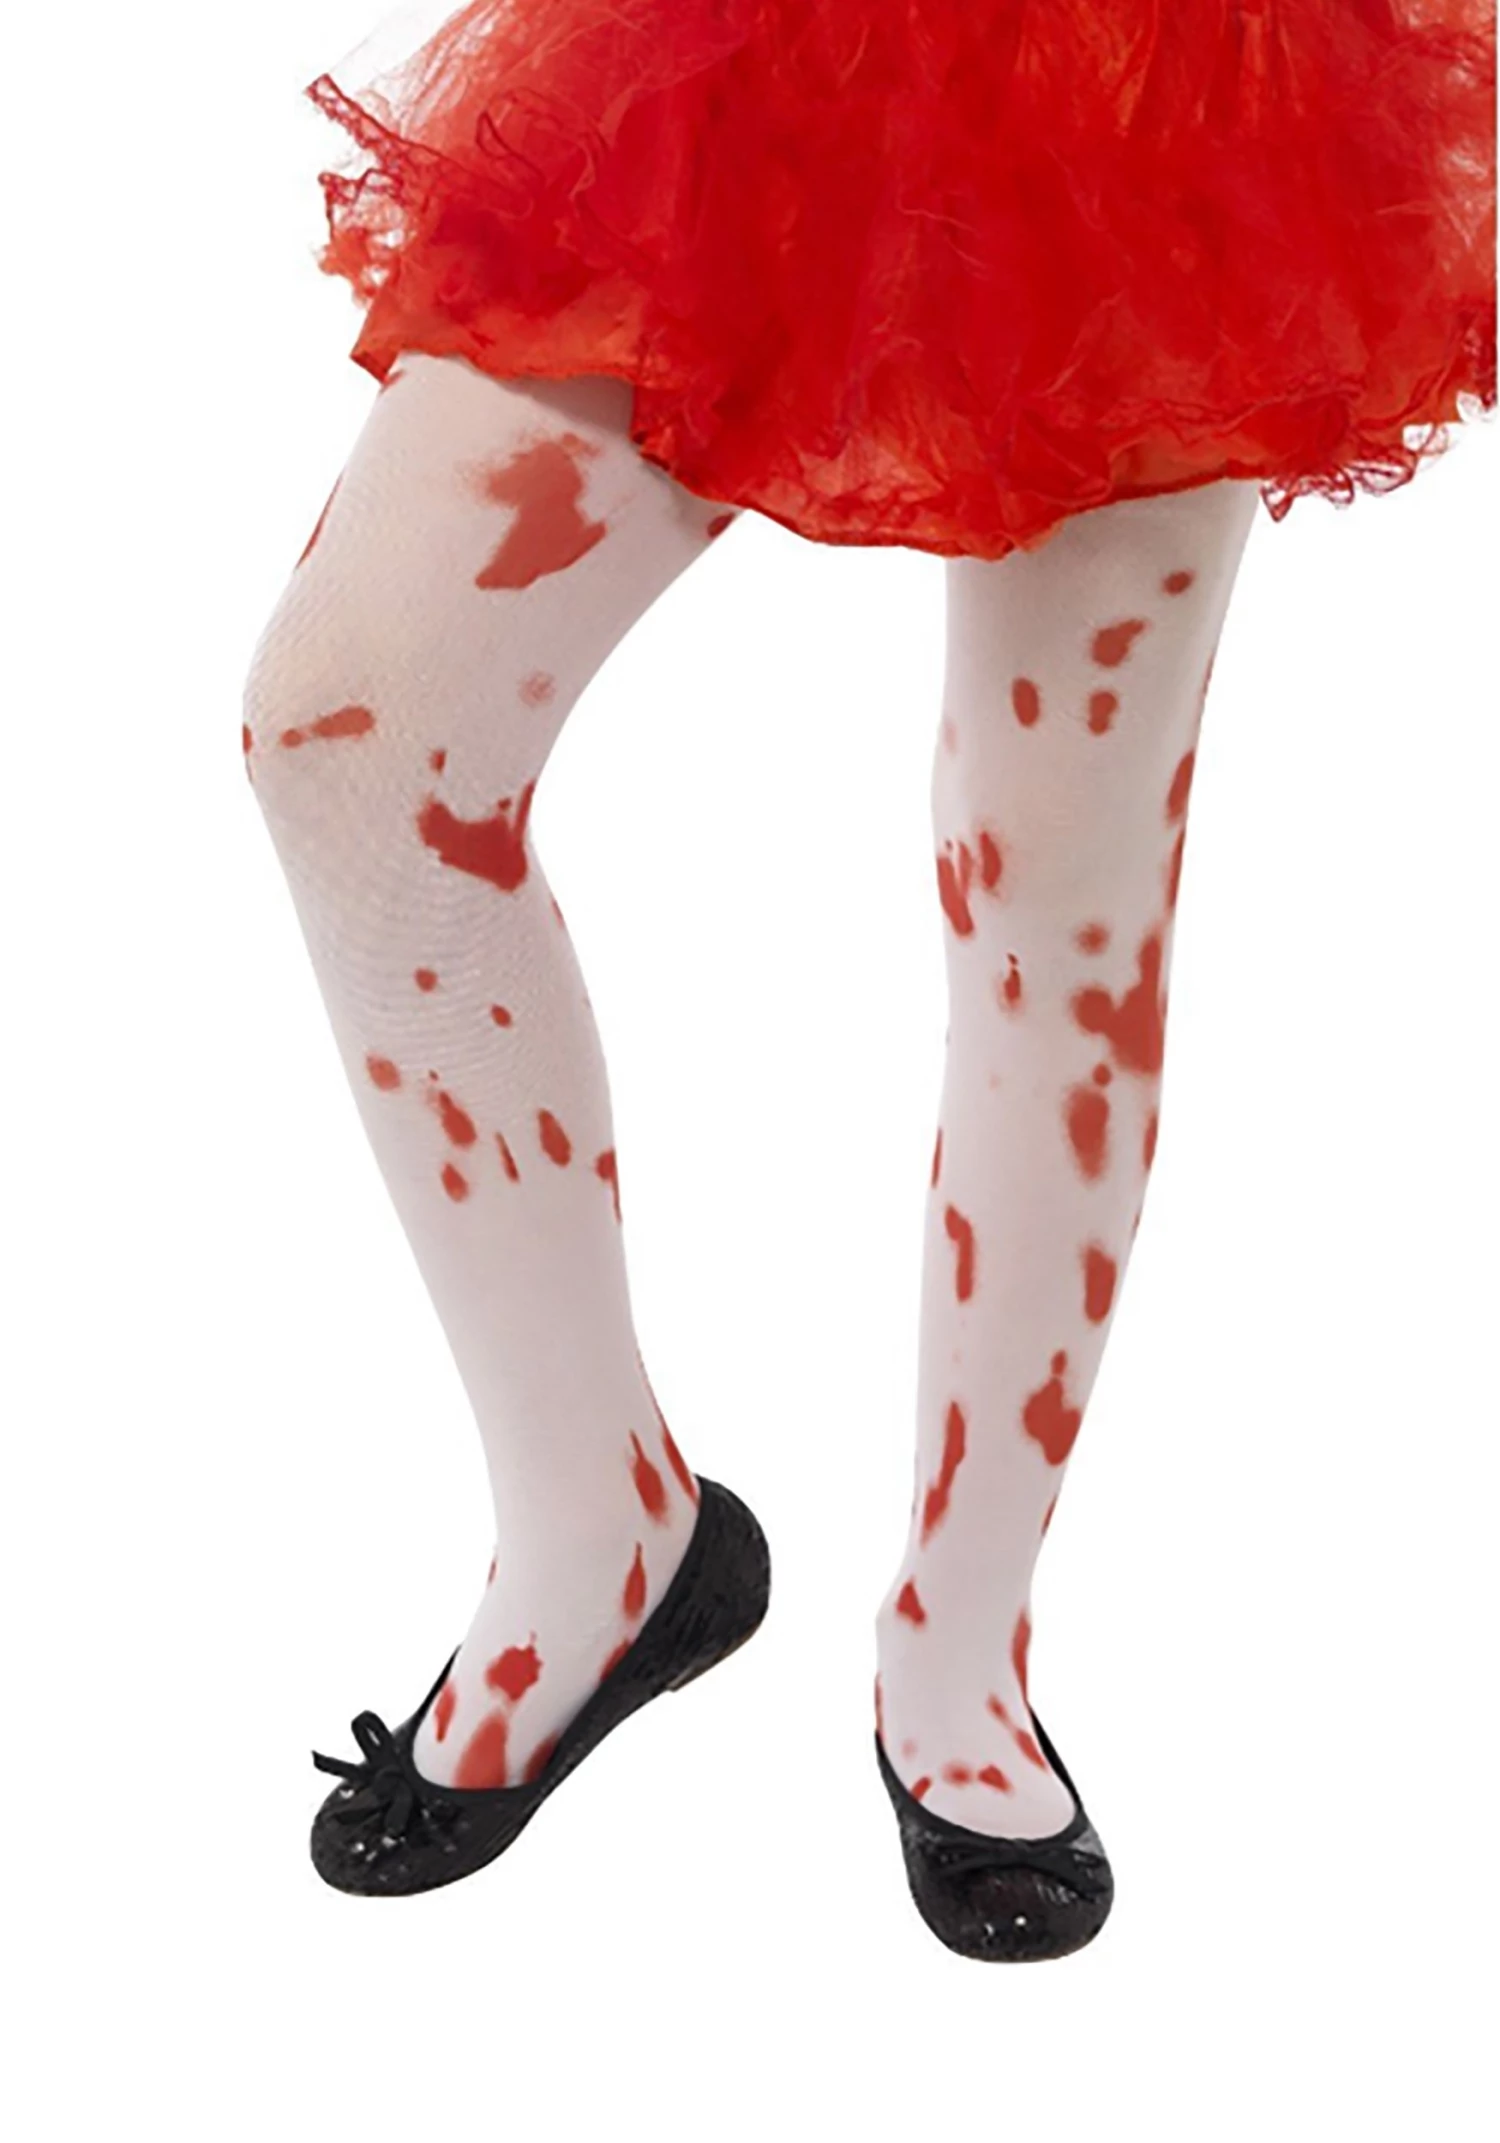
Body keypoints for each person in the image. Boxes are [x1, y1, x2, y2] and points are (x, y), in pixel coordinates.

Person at [242, 0, 1496, 1957]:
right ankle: (602, 1536)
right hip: (745, 47)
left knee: (1061, 888)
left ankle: (960, 1647)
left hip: (1165, 74)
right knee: (350, 731)